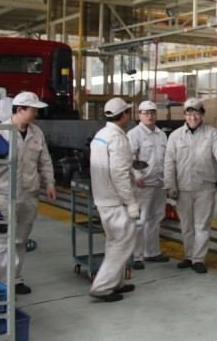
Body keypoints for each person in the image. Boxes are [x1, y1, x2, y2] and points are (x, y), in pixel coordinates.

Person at [0, 92, 56, 295]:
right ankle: (4, 284)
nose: (36, 113)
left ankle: (16, 278)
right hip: (3, 195)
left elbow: (44, 160)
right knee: (2, 242)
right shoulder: (0, 133)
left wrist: (50, 183)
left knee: (20, 239)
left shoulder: (36, 132)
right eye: (33, 110)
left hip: (28, 194)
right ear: (20, 109)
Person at [164, 98, 217, 274]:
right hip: (182, 188)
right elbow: (169, 162)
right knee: (186, 225)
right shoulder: (175, 136)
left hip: (205, 187)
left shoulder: (212, 134)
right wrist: (170, 185)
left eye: (196, 113)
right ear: (184, 115)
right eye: (189, 113)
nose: (193, 117)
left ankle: (198, 259)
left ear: (202, 114)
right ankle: (189, 256)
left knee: (202, 225)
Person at [89, 98, 139, 302]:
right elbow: (119, 174)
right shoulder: (117, 138)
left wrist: (134, 172)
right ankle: (102, 286)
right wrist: (131, 202)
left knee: (114, 241)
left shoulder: (101, 135)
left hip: (103, 197)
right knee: (122, 243)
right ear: (124, 115)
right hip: (115, 200)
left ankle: (116, 282)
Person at [127, 100, 169, 270]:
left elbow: (167, 158)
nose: (150, 115)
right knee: (139, 220)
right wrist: (137, 175)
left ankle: (151, 252)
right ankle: (136, 256)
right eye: (146, 113)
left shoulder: (161, 134)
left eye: (152, 112)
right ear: (140, 115)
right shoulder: (134, 134)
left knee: (155, 218)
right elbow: (129, 157)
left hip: (159, 183)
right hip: (142, 185)